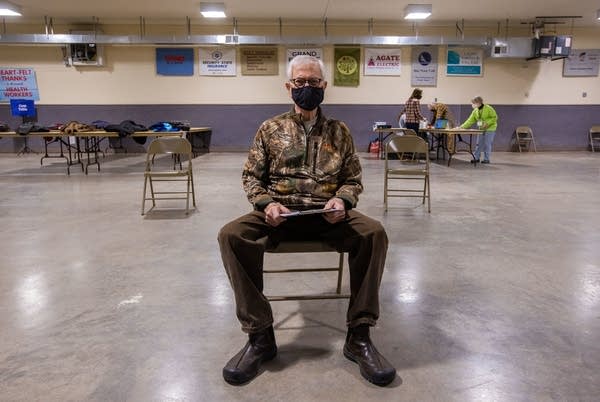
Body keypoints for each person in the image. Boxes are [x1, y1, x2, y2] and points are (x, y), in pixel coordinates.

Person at [218, 55, 396, 387]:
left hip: (327, 217)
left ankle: (359, 336)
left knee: (373, 233)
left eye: (313, 82)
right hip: (279, 217)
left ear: (324, 86)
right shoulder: (270, 128)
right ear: (288, 87)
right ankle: (260, 337)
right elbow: (251, 178)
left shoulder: (339, 131)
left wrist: (341, 200)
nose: (306, 88)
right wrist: (266, 204)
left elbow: (353, 179)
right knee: (231, 235)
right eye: (300, 82)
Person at [459, 96, 498, 164]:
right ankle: (476, 158)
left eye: (474, 103)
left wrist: (487, 123)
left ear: (479, 102)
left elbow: (495, 117)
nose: (473, 105)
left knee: (487, 144)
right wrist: (461, 127)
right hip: (481, 129)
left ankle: (486, 159)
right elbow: (469, 121)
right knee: (478, 144)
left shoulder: (488, 108)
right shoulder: (475, 111)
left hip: (490, 128)